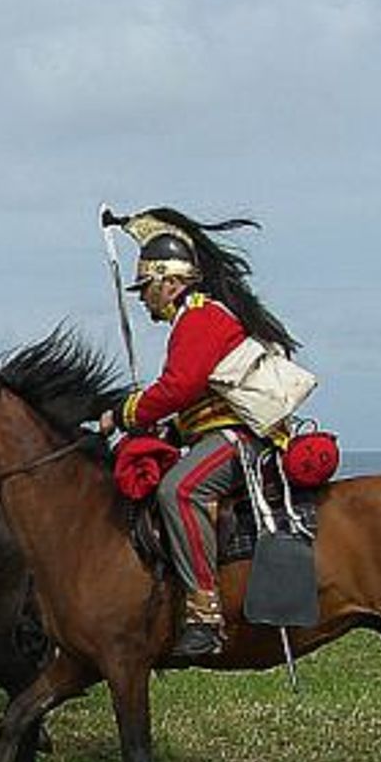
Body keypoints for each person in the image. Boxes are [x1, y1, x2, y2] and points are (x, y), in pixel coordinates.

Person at [98, 208, 300, 659]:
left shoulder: (201, 317)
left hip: (239, 438)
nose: (143, 298)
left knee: (180, 490)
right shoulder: (194, 319)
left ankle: (205, 614)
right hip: (216, 431)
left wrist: (125, 412)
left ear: (170, 283)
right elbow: (193, 400)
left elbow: (179, 387)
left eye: (146, 287)